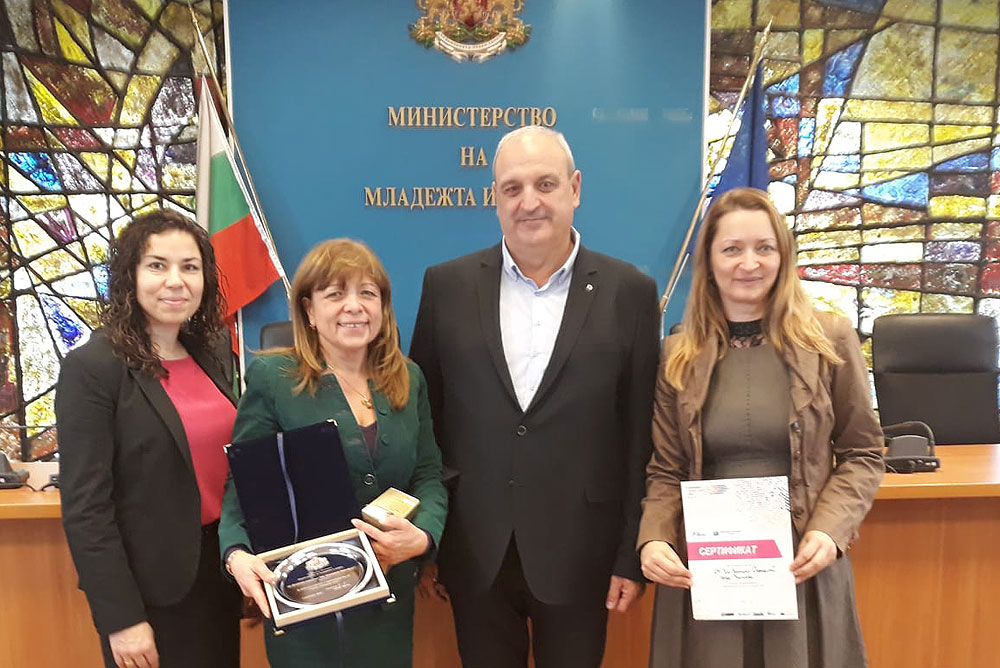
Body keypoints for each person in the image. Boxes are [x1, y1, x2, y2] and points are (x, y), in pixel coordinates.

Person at [410, 125, 660, 667]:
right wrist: (427, 540)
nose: (529, 202)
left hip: (584, 556)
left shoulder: (631, 293)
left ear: (575, 188)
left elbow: (640, 434)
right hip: (474, 551)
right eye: (512, 188)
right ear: (494, 198)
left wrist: (630, 553)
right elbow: (424, 426)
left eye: (545, 184)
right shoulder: (446, 287)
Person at [638, 187, 885, 668]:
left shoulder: (830, 340)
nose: (749, 263)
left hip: (801, 564)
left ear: (783, 255)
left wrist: (830, 531)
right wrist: (654, 538)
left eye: (764, 248)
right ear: (709, 262)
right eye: (732, 249)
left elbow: (864, 452)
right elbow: (666, 468)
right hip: (708, 570)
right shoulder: (678, 355)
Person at [219, 238, 447, 668]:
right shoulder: (274, 378)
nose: (354, 306)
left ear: (383, 306)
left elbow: (428, 475)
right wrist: (235, 554)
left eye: (367, 293)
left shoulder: (409, 378)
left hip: (388, 601)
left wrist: (423, 537)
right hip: (305, 601)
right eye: (336, 294)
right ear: (309, 310)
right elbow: (244, 484)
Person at [56, 209, 241, 668]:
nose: (175, 281)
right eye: (157, 265)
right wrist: (121, 619)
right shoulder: (93, 368)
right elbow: (86, 508)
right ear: (129, 276)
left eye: (190, 267)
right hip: (148, 593)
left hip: (220, 573)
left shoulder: (214, 350)